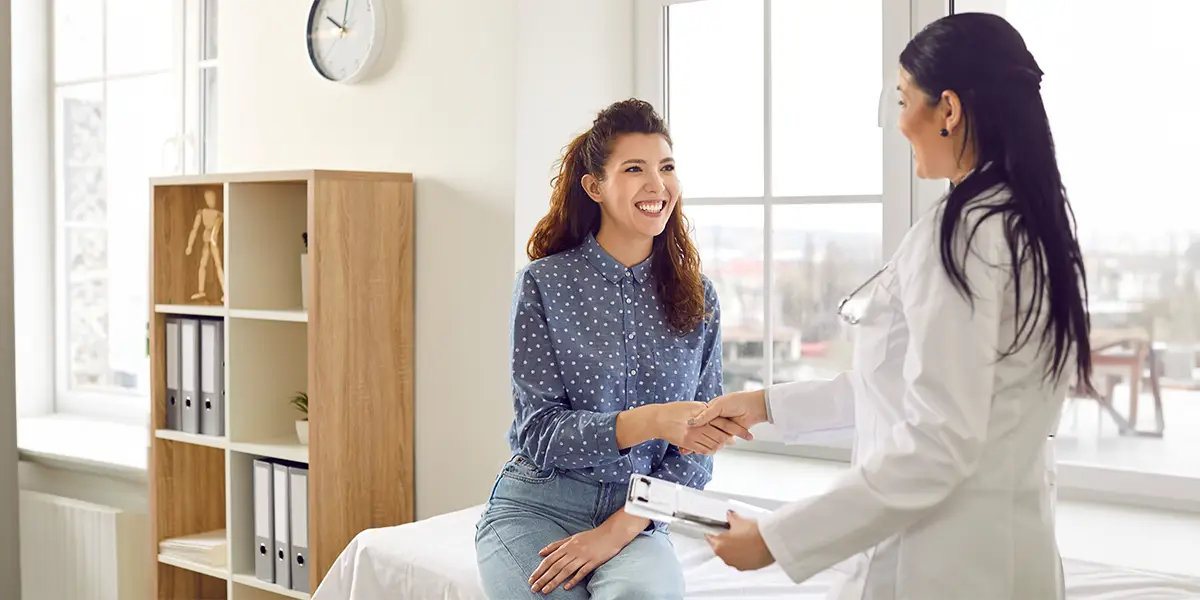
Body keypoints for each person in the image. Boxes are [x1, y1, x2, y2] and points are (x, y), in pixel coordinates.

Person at [692, 13, 1092, 600]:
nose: (899, 124)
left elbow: (938, 439)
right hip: (1015, 551)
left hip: (942, 565)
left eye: (905, 101)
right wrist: (765, 404)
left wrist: (778, 538)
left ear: (949, 110)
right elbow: (907, 387)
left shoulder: (960, 235)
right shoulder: (1033, 225)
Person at [475, 99, 747, 600]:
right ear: (595, 186)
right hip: (539, 504)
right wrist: (653, 421)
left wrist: (616, 531)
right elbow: (538, 431)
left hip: (639, 518)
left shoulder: (699, 296)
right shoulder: (544, 284)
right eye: (634, 169)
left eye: (666, 168)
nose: (657, 185)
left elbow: (695, 456)